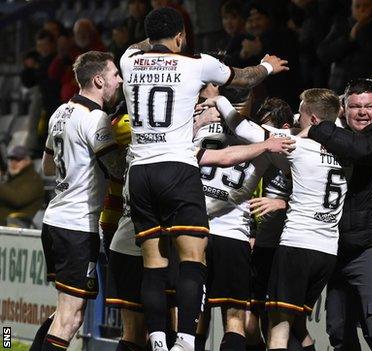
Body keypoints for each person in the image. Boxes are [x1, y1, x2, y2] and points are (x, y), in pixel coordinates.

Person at [119, 7, 288, 351]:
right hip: (177, 169)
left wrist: (155, 35)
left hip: (139, 172)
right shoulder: (197, 64)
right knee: (193, 258)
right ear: (180, 36)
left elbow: (144, 45)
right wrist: (268, 65)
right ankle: (183, 341)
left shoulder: (128, 59)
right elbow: (243, 78)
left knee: (153, 262)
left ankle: (157, 340)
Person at [204, 88, 346, 351]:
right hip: (327, 251)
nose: (295, 121)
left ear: (313, 119)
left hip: (297, 246)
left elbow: (249, 131)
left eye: (300, 114)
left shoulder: (299, 147)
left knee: (278, 331)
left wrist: (221, 101)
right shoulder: (349, 151)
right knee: (299, 325)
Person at [307, 79, 372, 350]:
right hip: (340, 248)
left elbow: (363, 150)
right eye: (355, 106)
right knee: (338, 331)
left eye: (369, 106)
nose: (363, 112)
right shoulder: (340, 136)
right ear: (343, 108)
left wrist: (319, 128)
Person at [36, 50, 125, 351]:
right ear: (99, 80)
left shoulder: (60, 112)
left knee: (64, 310)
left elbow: (47, 166)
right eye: (115, 75)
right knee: (71, 318)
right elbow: (117, 171)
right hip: (77, 226)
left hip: (54, 221)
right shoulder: (96, 117)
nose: (120, 80)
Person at [193, 97, 294, 351]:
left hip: (193, 229)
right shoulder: (264, 139)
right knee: (236, 319)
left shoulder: (198, 124)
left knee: (192, 316)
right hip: (232, 233)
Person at [317, 0, 372, 92]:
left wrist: (361, 30)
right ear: (351, 8)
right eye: (357, 6)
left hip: (366, 89)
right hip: (339, 86)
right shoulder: (342, 25)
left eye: (366, 6)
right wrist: (350, 38)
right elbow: (324, 53)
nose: (361, 10)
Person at [0, 145, 44, 227]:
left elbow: (17, 199)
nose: (13, 163)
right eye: (11, 159)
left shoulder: (33, 180)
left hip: (17, 225)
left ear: (28, 161)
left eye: (18, 159)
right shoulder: (10, 178)